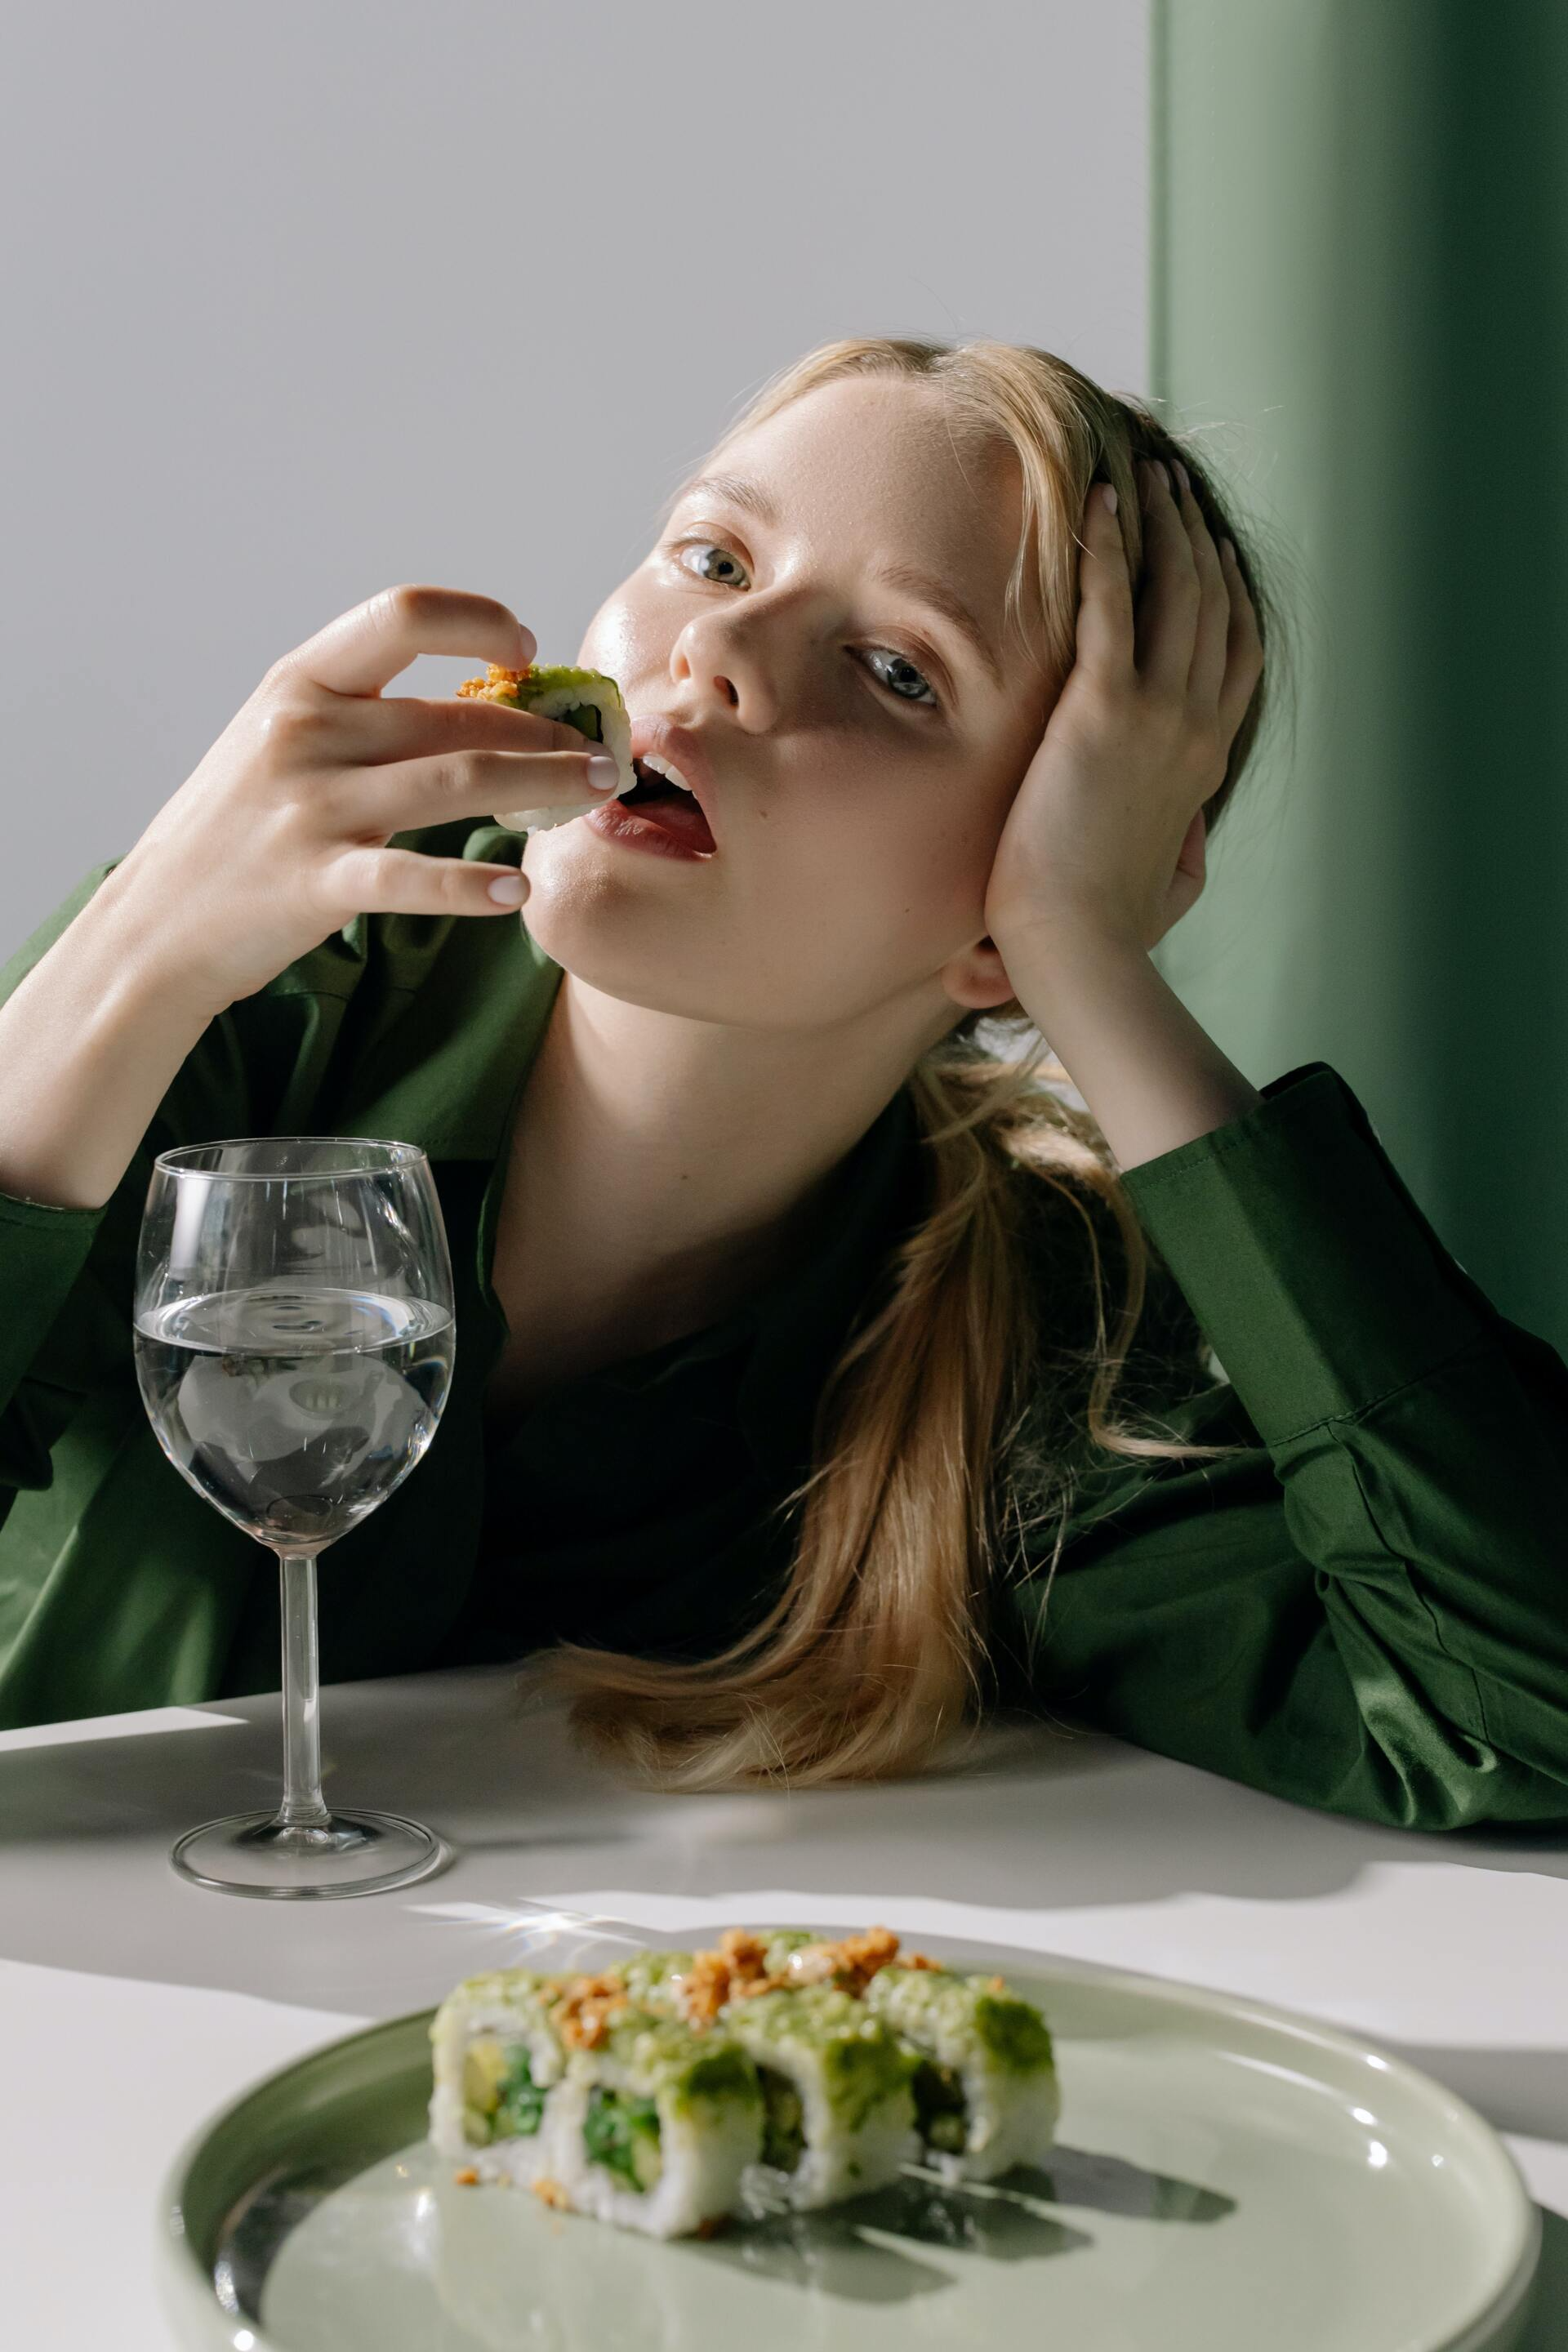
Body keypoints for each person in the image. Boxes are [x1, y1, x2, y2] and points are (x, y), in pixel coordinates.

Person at [2, 336, 1564, 1836]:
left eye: (897, 671)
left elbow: (1515, 1714)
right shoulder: (245, 991)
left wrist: (1086, 958)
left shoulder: (1028, 1342)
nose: (721, 656)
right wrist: (132, 948)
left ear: (1026, 885)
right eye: (716, 560)